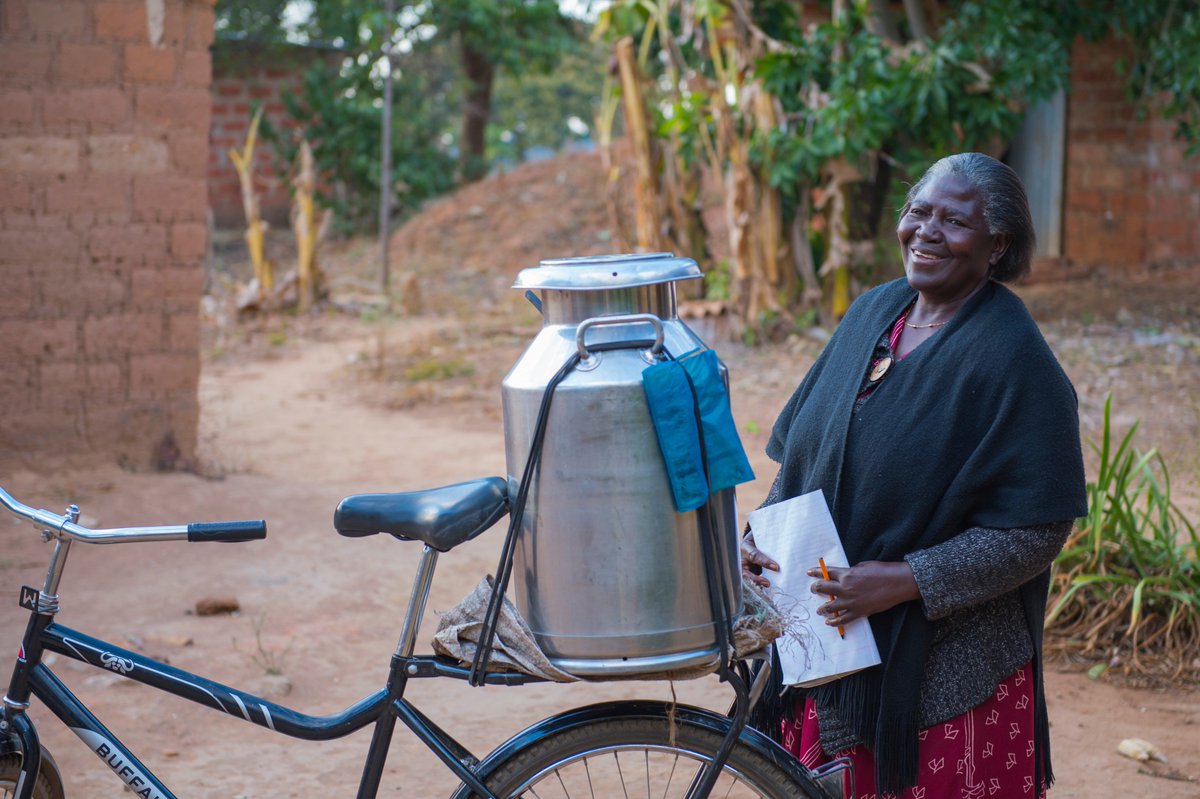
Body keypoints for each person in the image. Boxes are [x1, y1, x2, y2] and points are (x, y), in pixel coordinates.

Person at [741, 152, 1087, 798]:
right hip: (832, 651)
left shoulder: (1013, 358)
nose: (927, 230)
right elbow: (804, 457)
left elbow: (1038, 527)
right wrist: (760, 538)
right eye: (918, 211)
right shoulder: (874, 315)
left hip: (941, 687)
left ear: (997, 245)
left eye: (954, 220)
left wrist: (904, 581)